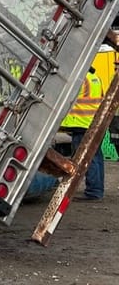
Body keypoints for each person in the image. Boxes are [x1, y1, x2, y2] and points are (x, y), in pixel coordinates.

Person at [61, 68, 106, 200]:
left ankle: (93, 192)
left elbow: (66, 97)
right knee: (96, 158)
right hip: (93, 122)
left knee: (88, 160)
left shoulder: (81, 78)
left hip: (82, 124)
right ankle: (96, 189)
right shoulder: (95, 78)